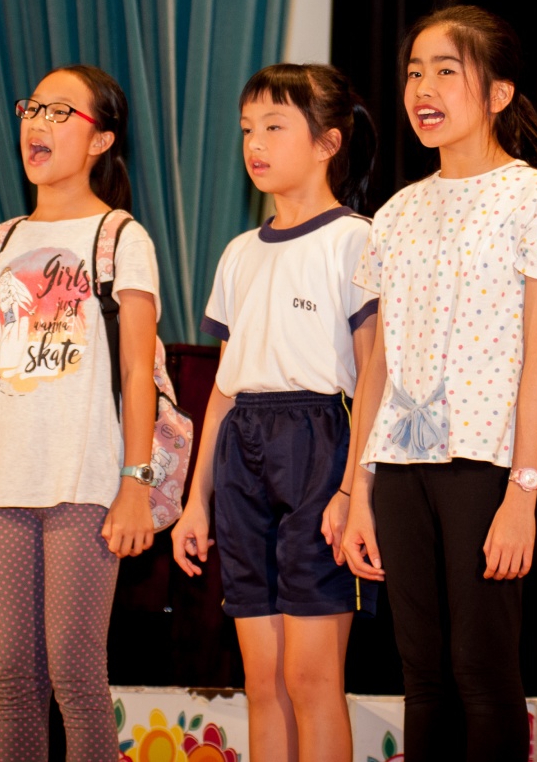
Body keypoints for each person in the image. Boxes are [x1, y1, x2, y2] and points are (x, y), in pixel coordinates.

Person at [339, 5, 537, 762]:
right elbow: (378, 366)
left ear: (498, 93)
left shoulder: (535, 198)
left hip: (485, 464)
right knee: (422, 676)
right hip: (399, 467)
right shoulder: (395, 212)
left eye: (446, 70)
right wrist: (357, 491)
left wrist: (523, 490)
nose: (423, 89)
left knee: (482, 670)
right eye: (414, 72)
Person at [0, 66, 162, 762]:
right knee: (13, 685)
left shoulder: (121, 236)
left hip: (85, 488)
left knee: (76, 679)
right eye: (33, 108)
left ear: (101, 140)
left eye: (62, 112)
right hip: (5, 492)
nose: (38, 122)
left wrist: (136, 483)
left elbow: (138, 373)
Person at [170, 64, 380, 762]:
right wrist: (195, 500)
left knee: (311, 679)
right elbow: (223, 390)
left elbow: (374, 377)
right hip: (242, 452)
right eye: (246, 129)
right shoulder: (238, 253)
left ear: (327, 142)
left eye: (274, 127)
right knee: (262, 683)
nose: (255, 144)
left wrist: (352, 491)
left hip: (319, 443)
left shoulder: (355, 239)